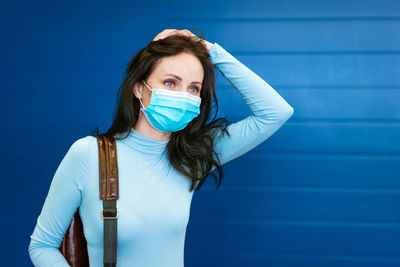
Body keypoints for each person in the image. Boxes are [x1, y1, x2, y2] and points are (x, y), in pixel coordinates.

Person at [28, 29, 294, 267]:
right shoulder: (88, 154)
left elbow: (276, 112)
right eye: (170, 82)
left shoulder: (193, 157)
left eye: (193, 88)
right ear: (138, 89)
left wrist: (208, 49)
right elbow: (41, 246)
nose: (181, 95)